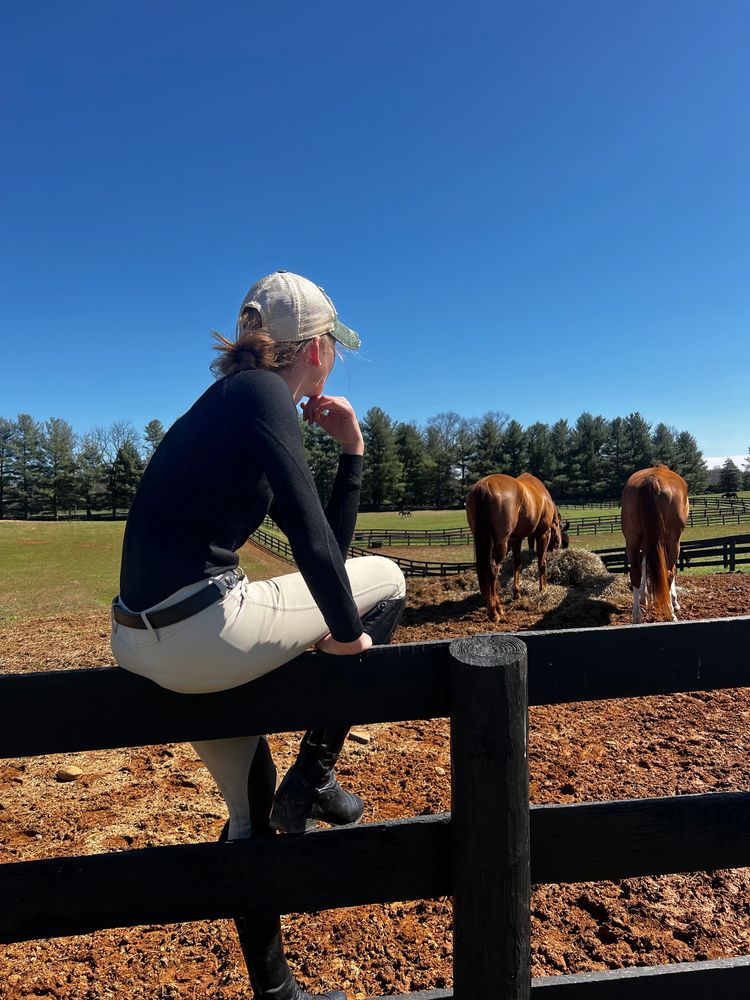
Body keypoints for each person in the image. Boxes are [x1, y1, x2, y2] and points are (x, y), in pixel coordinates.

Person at [110, 270, 406, 1000]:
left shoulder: (231, 401)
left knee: (248, 809)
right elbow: (315, 550)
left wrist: (352, 453)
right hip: (202, 627)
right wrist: (348, 638)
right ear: (317, 346)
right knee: (391, 580)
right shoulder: (263, 396)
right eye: (335, 344)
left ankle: (275, 993)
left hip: (142, 640)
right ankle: (316, 776)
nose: (334, 356)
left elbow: (323, 557)